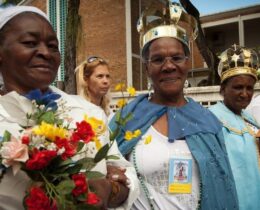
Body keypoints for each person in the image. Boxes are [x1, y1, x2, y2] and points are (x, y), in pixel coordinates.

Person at [0, 6, 138, 210]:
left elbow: (123, 174)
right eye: (30, 43)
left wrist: (112, 190)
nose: (45, 52)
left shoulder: (89, 114)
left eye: (53, 46)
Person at [109, 1, 238, 210]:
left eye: (176, 58)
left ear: (187, 63)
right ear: (147, 67)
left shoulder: (208, 122)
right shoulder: (126, 119)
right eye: (158, 59)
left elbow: (223, 187)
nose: (169, 66)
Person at [209, 44, 260, 210]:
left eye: (249, 88)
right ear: (223, 89)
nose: (245, 94)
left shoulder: (251, 119)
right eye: (238, 87)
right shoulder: (211, 119)